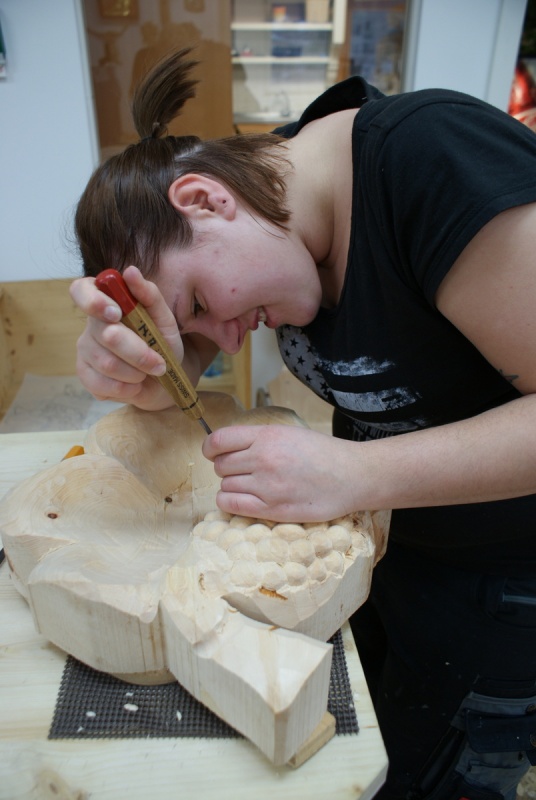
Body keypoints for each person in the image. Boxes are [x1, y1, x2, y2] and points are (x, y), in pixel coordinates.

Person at [70, 48, 536, 799]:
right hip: (388, 549)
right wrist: (145, 367)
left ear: (205, 200)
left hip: (503, 584)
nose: (225, 343)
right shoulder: (274, 194)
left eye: (199, 305)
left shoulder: (429, 162)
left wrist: (358, 472)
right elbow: (189, 346)